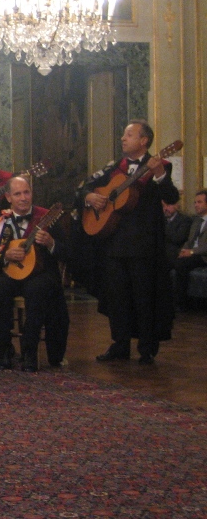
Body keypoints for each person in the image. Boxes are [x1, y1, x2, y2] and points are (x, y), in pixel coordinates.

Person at [79, 119, 179, 365]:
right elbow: (84, 186)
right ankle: (120, 344)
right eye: (124, 135)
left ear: (144, 141)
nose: (123, 139)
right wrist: (89, 196)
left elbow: (171, 196)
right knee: (118, 298)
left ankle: (147, 348)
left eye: (129, 135)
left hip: (144, 244)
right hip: (114, 242)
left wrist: (159, 174)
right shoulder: (115, 167)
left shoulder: (161, 165)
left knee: (144, 297)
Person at [0, 176, 69, 372]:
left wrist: (51, 243)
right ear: (8, 197)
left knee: (37, 290)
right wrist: (5, 256)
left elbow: (68, 252)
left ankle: (29, 351)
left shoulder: (47, 218)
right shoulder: (0, 221)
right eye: (17, 194)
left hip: (41, 274)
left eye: (26, 192)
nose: (23, 198)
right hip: (10, 272)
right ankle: (4, 350)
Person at [173, 189, 207, 313]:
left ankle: (182, 303)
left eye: (199, 202)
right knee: (173, 259)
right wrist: (184, 250)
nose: (196, 205)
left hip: (203, 255)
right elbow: (190, 240)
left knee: (181, 264)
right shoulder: (196, 221)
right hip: (193, 254)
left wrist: (191, 252)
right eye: (195, 202)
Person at [163, 199, 194, 270]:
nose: (165, 208)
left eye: (168, 205)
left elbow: (178, 238)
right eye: (163, 206)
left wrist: (162, 228)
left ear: (176, 206)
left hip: (175, 252)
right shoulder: (161, 220)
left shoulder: (185, 220)